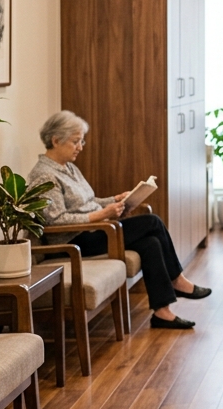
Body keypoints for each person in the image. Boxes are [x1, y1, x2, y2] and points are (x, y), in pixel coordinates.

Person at [28, 110, 212, 330]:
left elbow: (87, 201)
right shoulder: (44, 175)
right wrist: (104, 214)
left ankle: (162, 313)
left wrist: (112, 200)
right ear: (55, 140)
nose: (81, 147)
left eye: (81, 141)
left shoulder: (68, 167)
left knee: (150, 243)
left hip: (94, 230)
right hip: (73, 241)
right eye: (75, 141)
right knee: (151, 222)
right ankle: (177, 280)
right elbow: (56, 222)